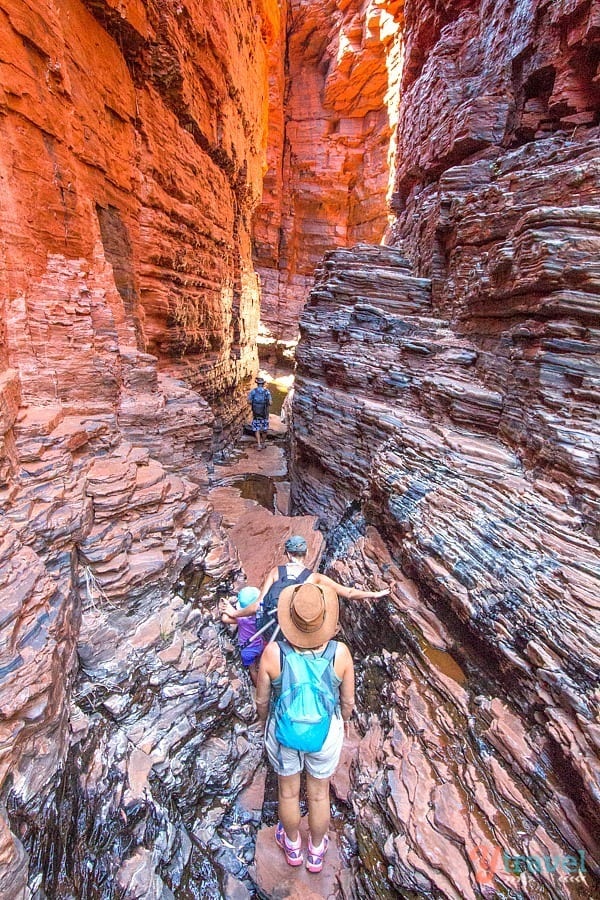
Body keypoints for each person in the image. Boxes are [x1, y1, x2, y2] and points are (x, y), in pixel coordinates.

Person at [255, 580, 354, 873]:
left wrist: (264, 724)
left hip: (285, 731)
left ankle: (293, 845)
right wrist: (344, 721)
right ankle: (316, 851)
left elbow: (262, 699)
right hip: (324, 731)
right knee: (319, 793)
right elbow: (347, 701)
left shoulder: (274, 653)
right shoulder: (341, 653)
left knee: (288, 792)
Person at [220, 534, 390, 634]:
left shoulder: (276, 572)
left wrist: (235, 613)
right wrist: (374, 594)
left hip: (272, 627)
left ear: (287, 554)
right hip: (297, 629)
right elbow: (349, 593)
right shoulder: (315, 578)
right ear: (306, 553)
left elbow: (258, 605)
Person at [221, 586, 264, 685]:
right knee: (260, 660)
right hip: (260, 645)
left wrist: (226, 606)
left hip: (247, 650)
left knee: (252, 670)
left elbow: (225, 619)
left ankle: (257, 686)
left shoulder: (241, 619)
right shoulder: (261, 616)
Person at [248, 376, 272, 451]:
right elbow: (270, 403)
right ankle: (263, 443)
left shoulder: (253, 391)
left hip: (256, 414)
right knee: (264, 429)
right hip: (264, 414)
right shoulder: (267, 392)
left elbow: (249, 401)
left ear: (257, 384)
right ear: (263, 384)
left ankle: (259, 445)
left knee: (257, 429)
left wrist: (254, 403)